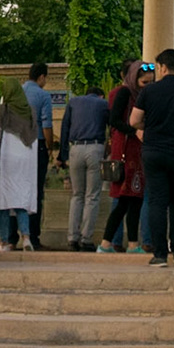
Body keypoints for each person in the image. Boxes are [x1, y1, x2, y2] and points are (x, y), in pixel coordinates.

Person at [131, 47, 174, 266]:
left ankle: (160, 254)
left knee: (157, 201)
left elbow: (134, 121)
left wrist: (149, 126)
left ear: (162, 67)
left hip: (153, 152)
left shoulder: (149, 92)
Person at [98, 60, 150, 253]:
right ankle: (105, 243)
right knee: (123, 200)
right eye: (144, 83)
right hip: (126, 150)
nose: (147, 87)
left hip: (137, 151)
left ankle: (133, 244)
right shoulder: (124, 93)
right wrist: (134, 131)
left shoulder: (139, 96)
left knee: (135, 199)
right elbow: (114, 121)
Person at [60, 79, 111, 252]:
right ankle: (86, 239)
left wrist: (62, 154)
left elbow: (64, 128)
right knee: (92, 196)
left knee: (77, 195)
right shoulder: (104, 104)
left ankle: (72, 238)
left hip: (76, 148)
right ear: (100, 95)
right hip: (95, 148)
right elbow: (111, 126)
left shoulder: (73, 102)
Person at [0, 86, 42, 253]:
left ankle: (4, 241)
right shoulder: (30, 111)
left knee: (4, 201)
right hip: (26, 160)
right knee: (20, 198)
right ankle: (26, 238)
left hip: (7, 159)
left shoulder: (2, 111)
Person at [21, 63, 55, 249]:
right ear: (42, 77)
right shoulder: (43, 96)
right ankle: (33, 237)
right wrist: (50, 147)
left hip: (16, 145)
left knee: (17, 190)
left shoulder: (17, 92)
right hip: (37, 145)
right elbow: (47, 125)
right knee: (35, 192)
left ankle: (11, 237)